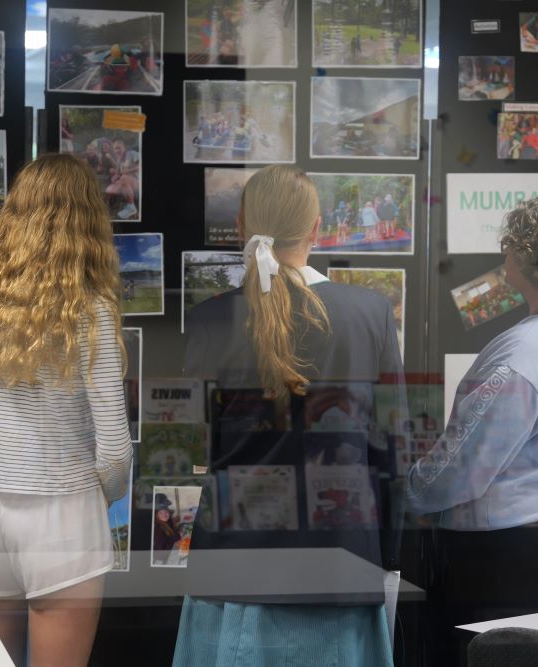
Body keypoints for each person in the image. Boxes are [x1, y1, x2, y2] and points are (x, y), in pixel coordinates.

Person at [174, 165, 406, 666]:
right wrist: (388, 556)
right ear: (317, 228)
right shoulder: (370, 313)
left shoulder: (211, 318)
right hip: (339, 563)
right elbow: (391, 451)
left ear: (241, 226)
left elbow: (193, 444)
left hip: (233, 567)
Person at [0, 153, 132, 667]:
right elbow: (114, 451)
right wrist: (105, 495)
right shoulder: (91, 310)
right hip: (63, 511)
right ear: (89, 221)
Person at [406, 196, 538, 664]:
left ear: (528, 260)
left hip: (511, 562)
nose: (505, 256)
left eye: (511, 247)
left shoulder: (523, 352)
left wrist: (407, 492)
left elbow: (463, 469)